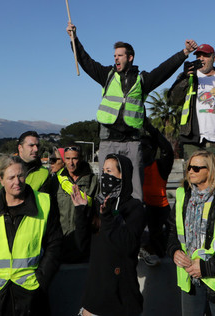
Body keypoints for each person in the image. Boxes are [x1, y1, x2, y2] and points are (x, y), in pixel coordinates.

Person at [67, 19, 195, 200]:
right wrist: (74, 38)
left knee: (135, 190)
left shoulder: (142, 81)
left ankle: (134, 224)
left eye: (120, 55)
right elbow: (85, 60)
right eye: (114, 56)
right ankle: (108, 222)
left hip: (133, 143)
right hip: (108, 141)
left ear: (130, 57)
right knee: (106, 189)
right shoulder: (107, 76)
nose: (116, 58)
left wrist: (184, 53)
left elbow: (164, 70)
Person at [0, 155, 61, 316]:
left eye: (21, 176)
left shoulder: (44, 203)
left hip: (30, 295)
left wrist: (41, 281)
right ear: (1, 179)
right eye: (11, 177)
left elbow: (55, 246)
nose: (17, 182)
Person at [167, 150, 215, 316]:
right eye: (189, 167)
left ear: (210, 171)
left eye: (196, 168)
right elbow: (172, 232)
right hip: (190, 280)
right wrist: (174, 251)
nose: (190, 171)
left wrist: (206, 267)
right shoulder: (182, 196)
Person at [72, 154, 145, 315]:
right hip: (95, 298)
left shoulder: (134, 208)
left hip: (122, 300)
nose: (104, 176)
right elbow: (83, 245)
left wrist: (108, 218)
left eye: (109, 171)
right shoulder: (98, 202)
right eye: (103, 171)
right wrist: (81, 211)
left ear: (122, 175)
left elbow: (127, 245)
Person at [168, 43, 215, 183]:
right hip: (195, 141)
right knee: (194, 184)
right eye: (198, 56)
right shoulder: (189, 76)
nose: (201, 59)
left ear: (214, 58)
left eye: (206, 55)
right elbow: (174, 99)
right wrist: (186, 78)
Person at [56, 145, 98, 263]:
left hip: (85, 242)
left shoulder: (93, 181)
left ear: (81, 158)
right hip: (62, 241)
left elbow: (97, 212)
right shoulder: (57, 181)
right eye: (68, 159)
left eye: (74, 158)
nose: (71, 163)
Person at [140, 120, 173, 264]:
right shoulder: (134, 167)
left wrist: (151, 129)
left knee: (161, 244)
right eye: (140, 147)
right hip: (143, 209)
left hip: (160, 210)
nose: (142, 150)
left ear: (153, 150)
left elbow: (168, 150)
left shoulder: (160, 165)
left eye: (146, 147)